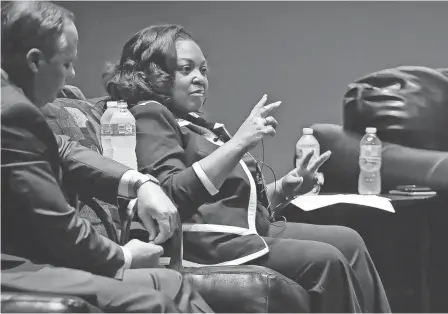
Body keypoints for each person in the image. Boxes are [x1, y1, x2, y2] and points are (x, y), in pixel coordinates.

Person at [103, 24, 391, 313]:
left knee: (350, 240)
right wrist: (239, 142)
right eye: (186, 69)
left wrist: (286, 188)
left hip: (247, 231)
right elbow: (170, 193)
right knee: (327, 258)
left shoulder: (197, 126)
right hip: (202, 246)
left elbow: (231, 206)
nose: (199, 79)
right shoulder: (149, 115)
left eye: (203, 70)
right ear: (156, 73)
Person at [1, 2, 212, 312]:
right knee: (153, 301)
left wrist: (140, 183)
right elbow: (57, 223)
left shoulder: (14, 108)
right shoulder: (11, 112)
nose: (72, 76)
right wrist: (123, 257)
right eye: (66, 64)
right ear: (35, 61)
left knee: (171, 282)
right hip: (10, 267)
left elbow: (62, 147)